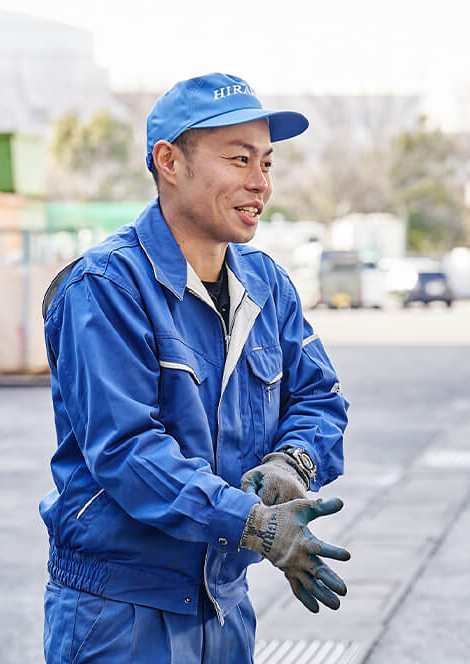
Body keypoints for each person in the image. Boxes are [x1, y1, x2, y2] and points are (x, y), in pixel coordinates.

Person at [40, 72, 351, 664]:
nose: (259, 183)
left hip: (225, 606)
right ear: (169, 162)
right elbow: (128, 451)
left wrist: (293, 461)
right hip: (120, 615)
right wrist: (254, 524)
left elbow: (320, 398)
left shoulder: (267, 285)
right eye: (239, 159)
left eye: (267, 162)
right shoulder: (105, 288)